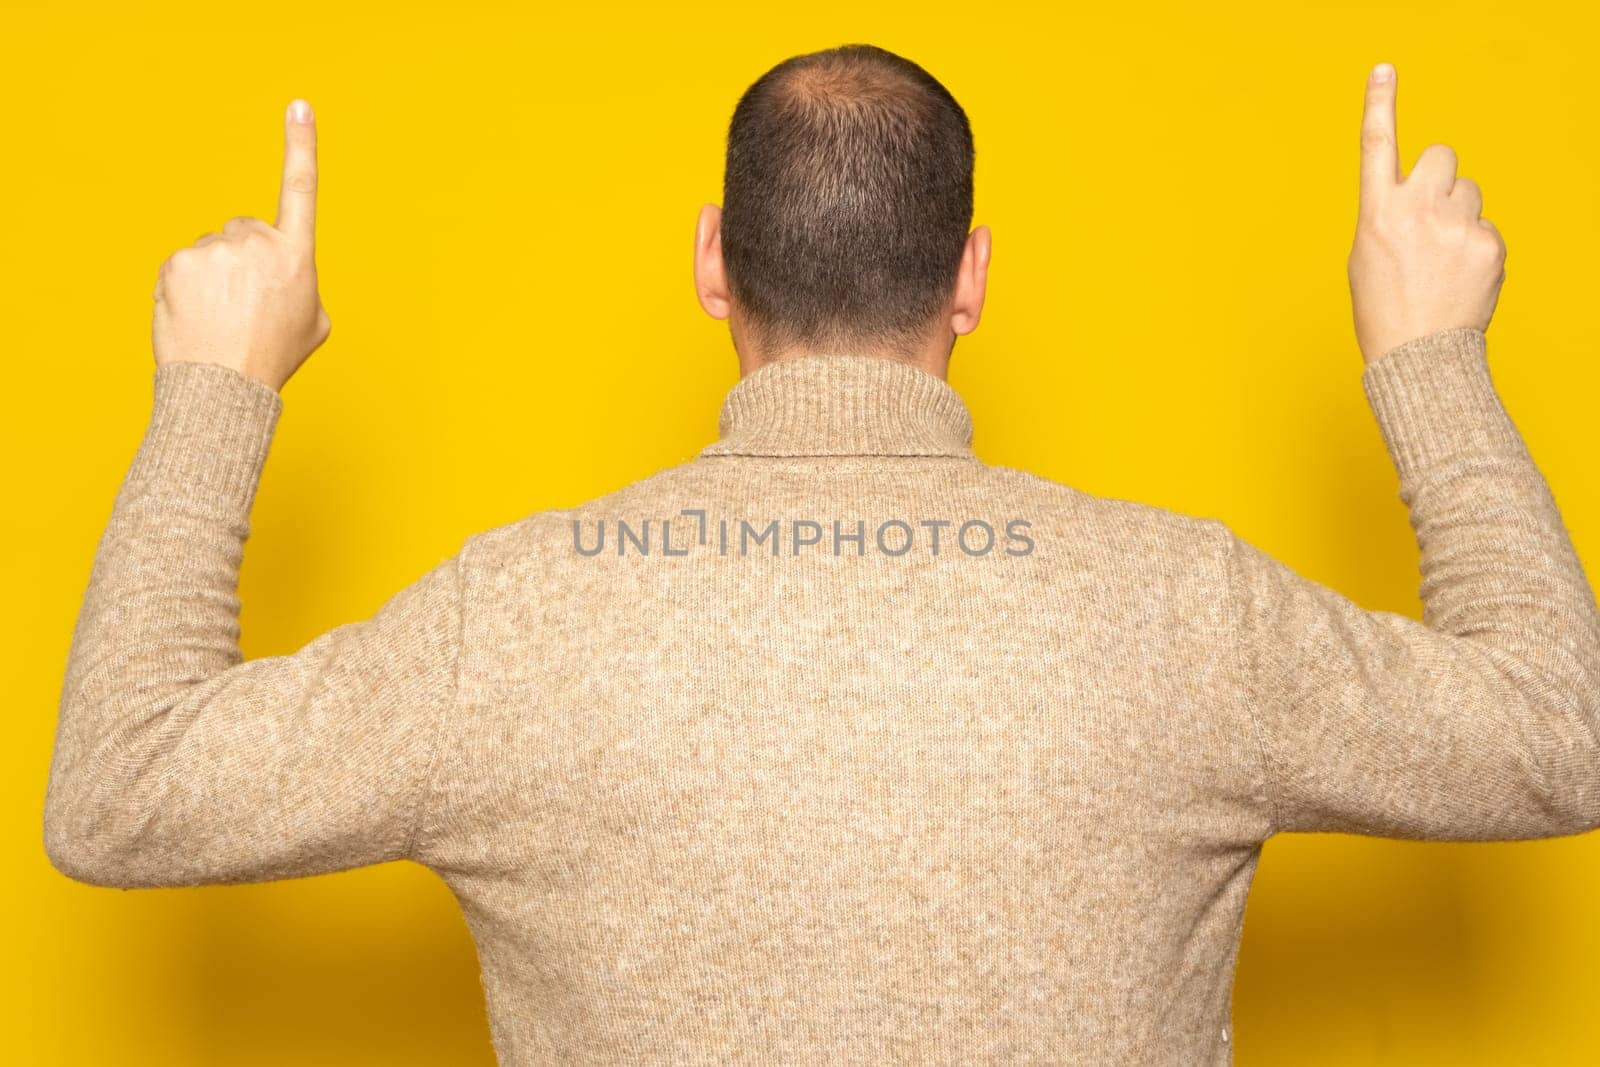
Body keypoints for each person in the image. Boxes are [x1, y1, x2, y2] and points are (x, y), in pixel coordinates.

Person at [42, 43, 1600, 1066]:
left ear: (714, 262)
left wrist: (219, 388)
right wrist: (1429, 355)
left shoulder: (512, 619)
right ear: (972, 277)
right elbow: (1556, 736)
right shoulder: (1182, 607)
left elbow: (121, 792)